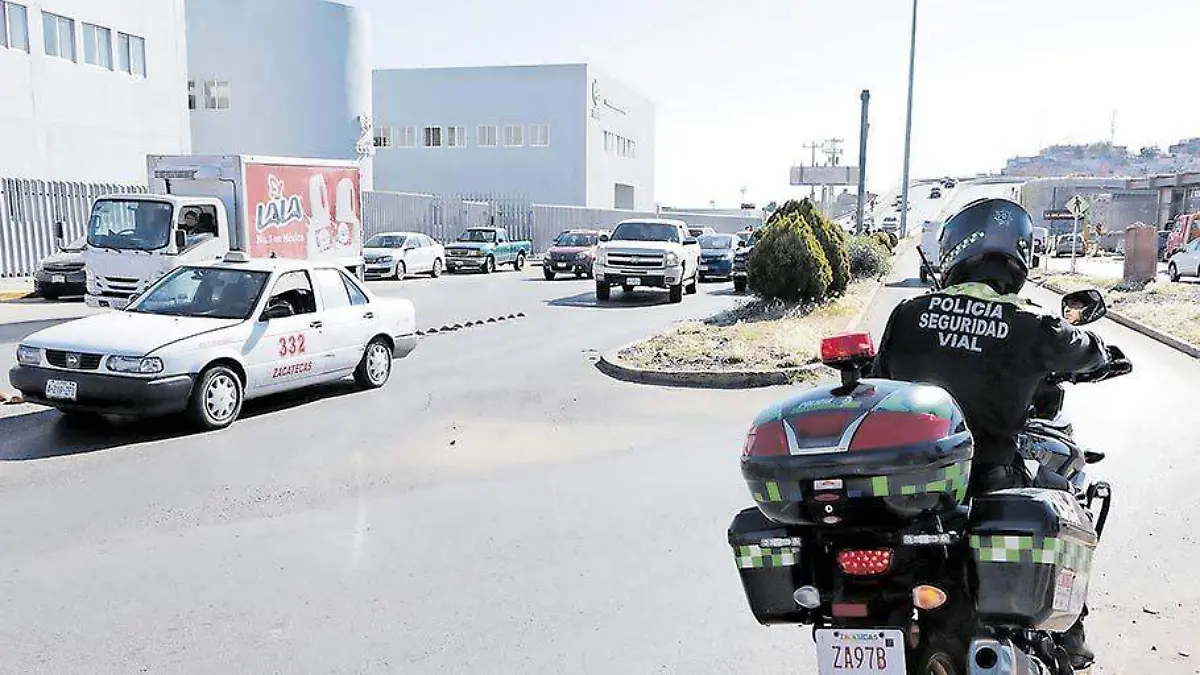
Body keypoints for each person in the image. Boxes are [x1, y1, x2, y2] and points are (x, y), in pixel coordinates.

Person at [871, 197, 1108, 669]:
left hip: (904, 490)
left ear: (954, 251)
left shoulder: (907, 314)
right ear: (1020, 257)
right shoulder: (1034, 326)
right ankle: (1071, 634)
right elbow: (1092, 353)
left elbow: (882, 383)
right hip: (989, 478)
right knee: (1067, 502)